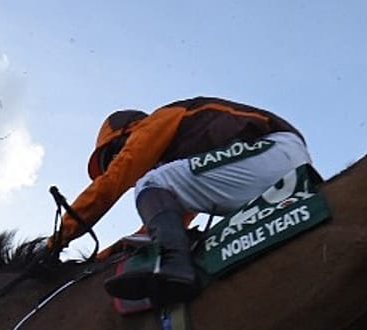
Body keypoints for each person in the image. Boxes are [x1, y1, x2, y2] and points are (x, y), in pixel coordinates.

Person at [48, 98, 314, 295]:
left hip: (274, 151)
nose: (115, 165)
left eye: (113, 158)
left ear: (127, 132)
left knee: (149, 183)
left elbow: (113, 181)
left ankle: (176, 270)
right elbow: (158, 231)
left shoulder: (157, 122)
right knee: (159, 194)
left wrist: (55, 242)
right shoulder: (179, 175)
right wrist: (100, 261)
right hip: (270, 165)